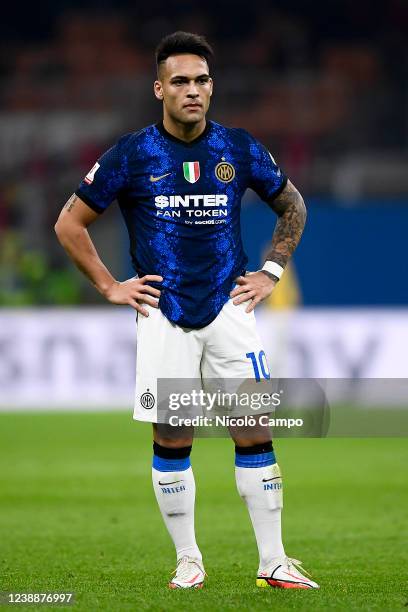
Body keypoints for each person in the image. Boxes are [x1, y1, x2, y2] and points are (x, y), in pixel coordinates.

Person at [55, 31, 319, 591]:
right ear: (159, 89)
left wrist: (271, 271)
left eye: (201, 81)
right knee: (174, 435)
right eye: (180, 81)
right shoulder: (132, 153)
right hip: (164, 313)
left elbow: (291, 204)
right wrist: (109, 286)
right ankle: (189, 560)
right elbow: (68, 223)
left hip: (229, 308)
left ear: (211, 87)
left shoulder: (240, 147)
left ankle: (273, 560)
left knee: (254, 428)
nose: (193, 91)